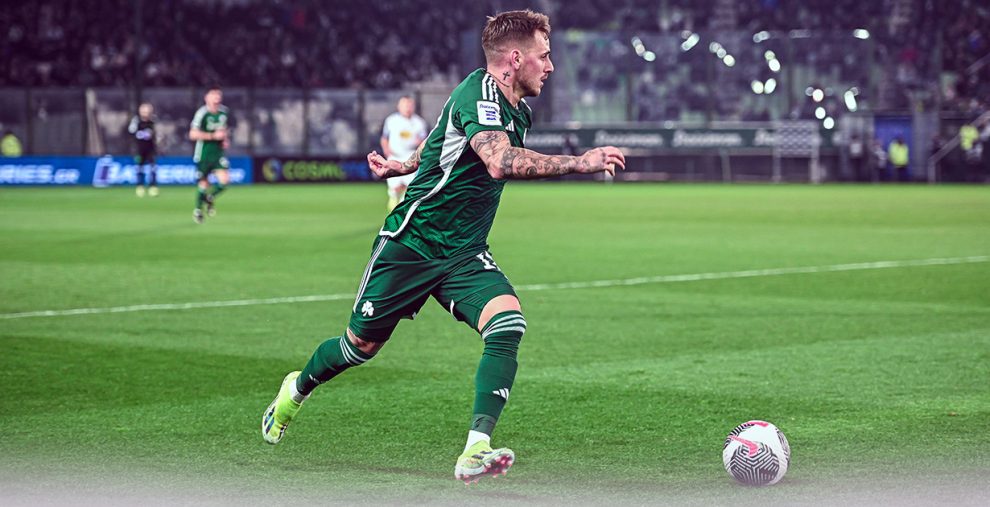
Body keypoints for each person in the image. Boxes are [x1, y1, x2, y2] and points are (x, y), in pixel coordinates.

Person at [261, 9, 625, 484]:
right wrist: (580, 162)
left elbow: (441, 139)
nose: (551, 66)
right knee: (359, 347)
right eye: (544, 55)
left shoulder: (517, 109)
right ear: (516, 59)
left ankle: (475, 449)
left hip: (463, 252)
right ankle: (296, 389)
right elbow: (498, 161)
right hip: (411, 244)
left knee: (508, 322)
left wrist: (405, 165)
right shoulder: (478, 93)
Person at [188, 87, 230, 223]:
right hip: (203, 153)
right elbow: (192, 134)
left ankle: (210, 197)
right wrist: (212, 136)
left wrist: (225, 139)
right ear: (207, 97)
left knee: (224, 181)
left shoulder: (224, 112)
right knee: (204, 183)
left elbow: (224, 130)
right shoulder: (202, 113)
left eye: (218, 95)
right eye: (213, 95)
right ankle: (198, 210)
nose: (217, 98)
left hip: (218, 153)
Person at [381, 95, 428, 212]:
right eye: (405, 105)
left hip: (411, 158)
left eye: (410, 105)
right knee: (394, 188)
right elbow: (384, 138)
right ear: (399, 106)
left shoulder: (419, 122)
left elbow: (424, 141)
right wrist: (386, 151)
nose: (407, 108)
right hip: (394, 156)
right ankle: (394, 201)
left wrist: (419, 143)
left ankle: (401, 209)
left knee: (410, 186)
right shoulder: (391, 120)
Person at [128, 103, 158, 197]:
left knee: (152, 167)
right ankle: (139, 186)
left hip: (150, 149)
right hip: (139, 149)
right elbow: (131, 132)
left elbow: (156, 134)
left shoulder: (153, 121)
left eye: (147, 111)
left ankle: (153, 186)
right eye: (144, 111)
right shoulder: (136, 121)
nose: (146, 113)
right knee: (139, 167)